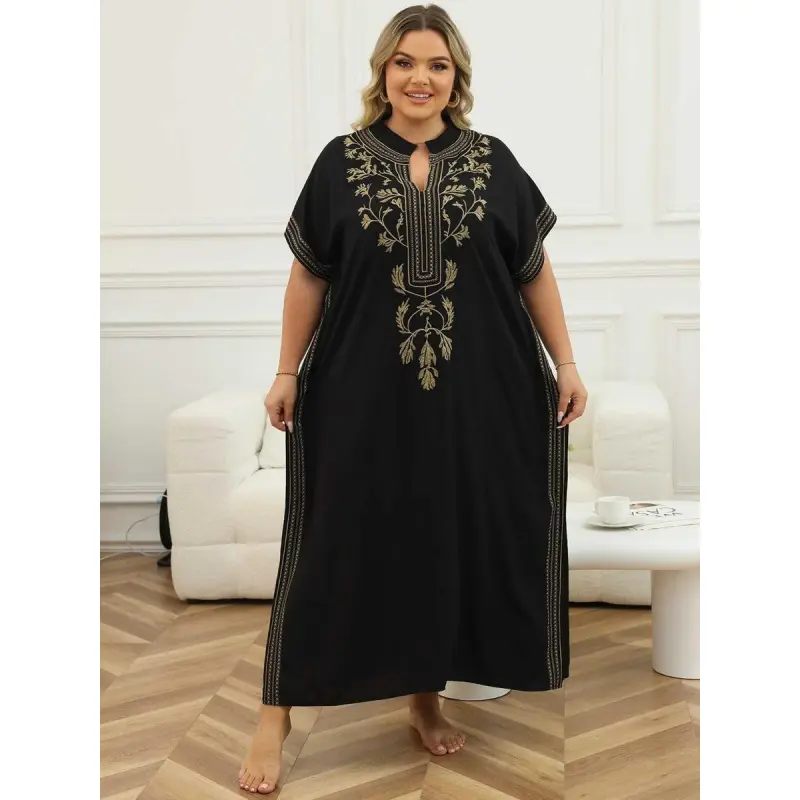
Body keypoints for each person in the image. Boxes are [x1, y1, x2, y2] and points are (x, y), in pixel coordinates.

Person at [238, 3, 588, 794]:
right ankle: (275, 711)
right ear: (383, 72)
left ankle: (424, 697)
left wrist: (564, 360)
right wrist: (287, 370)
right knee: (328, 542)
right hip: (360, 392)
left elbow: (532, 268)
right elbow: (309, 275)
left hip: (480, 392)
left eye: (436, 64)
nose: (419, 78)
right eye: (404, 62)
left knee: (442, 540)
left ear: (456, 76)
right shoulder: (340, 162)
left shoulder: (494, 161)